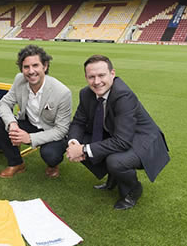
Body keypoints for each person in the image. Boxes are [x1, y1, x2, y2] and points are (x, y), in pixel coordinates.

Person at [66, 55, 170, 210]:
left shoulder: (123, 95)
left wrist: (82, 150)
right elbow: (78, 122)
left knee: (115, 161)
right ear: (86, 77)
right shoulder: (85, 93)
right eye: (91, 77)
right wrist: (73, 143)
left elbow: (122, 141)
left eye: (101, 75)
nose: (96, 81)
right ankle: (113, 178)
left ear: (112, 74)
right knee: (70, 139)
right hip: (118, 134)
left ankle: (133, 190)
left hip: (143, 139)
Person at [0, 44, 71, 178]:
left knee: (50, 155)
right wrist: (12, 124)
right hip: (29, 123)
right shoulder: (19, 80)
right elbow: (4, 103)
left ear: (44, 66)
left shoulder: (62, 92)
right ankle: (16, 163)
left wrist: (29, 138)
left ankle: (53, 165)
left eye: (35, 65)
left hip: (51, 130)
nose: (31, 71)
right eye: (26, 67)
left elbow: (61, 130)